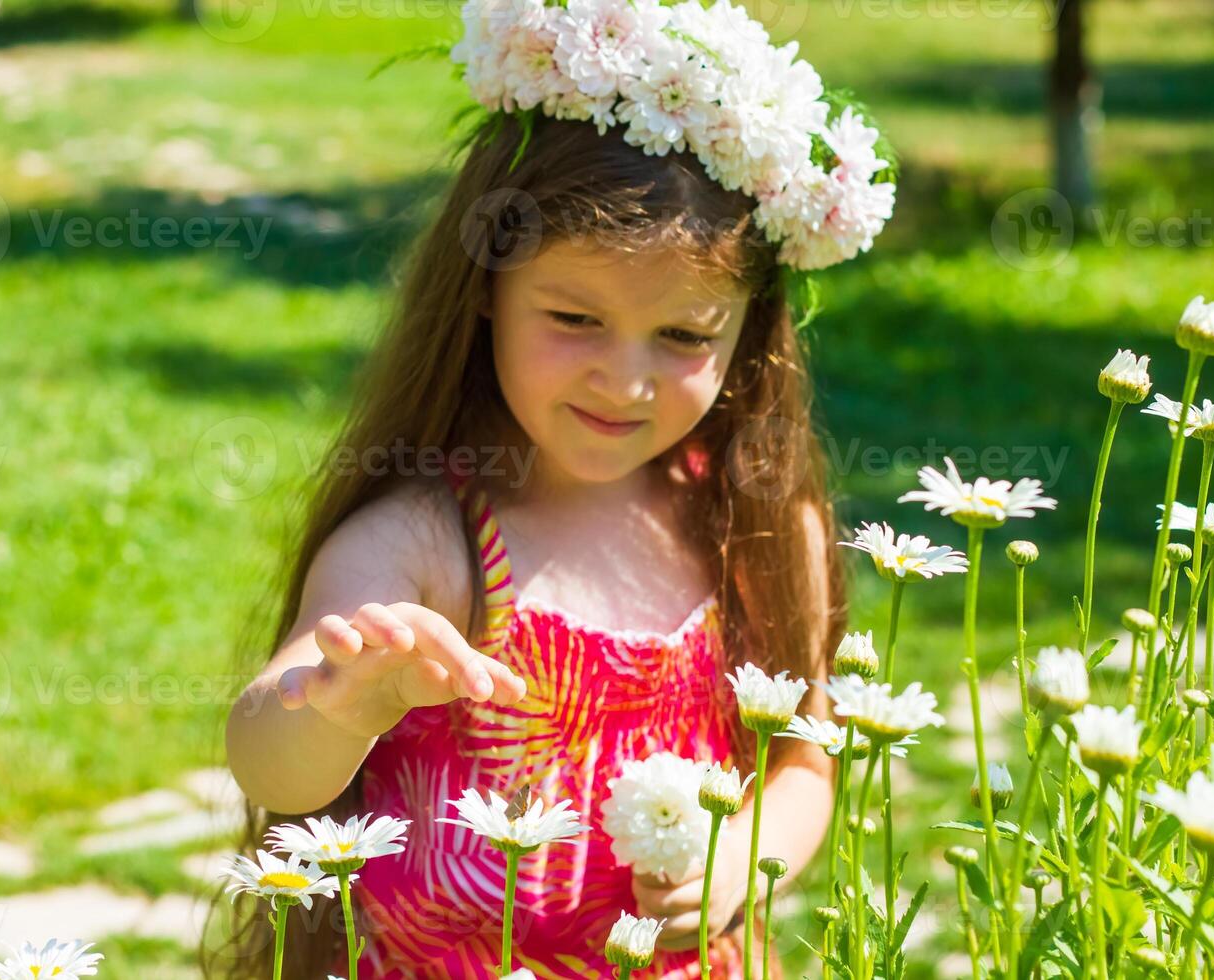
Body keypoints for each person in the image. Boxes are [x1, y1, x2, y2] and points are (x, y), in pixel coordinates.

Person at [218, 0, 900, 974]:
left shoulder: (754, 523)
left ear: (750, 333)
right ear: (486, 289)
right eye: (575, 316)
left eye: (683, 335)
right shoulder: (427, 540)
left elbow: (805, 763)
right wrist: (336, 707)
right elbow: (267, 754)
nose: (624, 381)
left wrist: (747, 853)